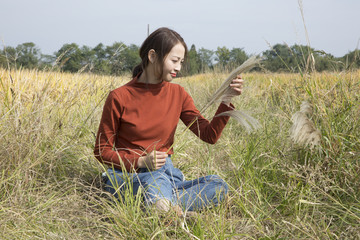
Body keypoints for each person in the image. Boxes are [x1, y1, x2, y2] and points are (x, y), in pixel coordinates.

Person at [94, 27, 244, 217]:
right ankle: (170, 212)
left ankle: (161, 206)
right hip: (126, 176)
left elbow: (209, 135)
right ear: (152, 56)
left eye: (181, 62)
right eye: (174, 61)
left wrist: (226, 101)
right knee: (153, 178)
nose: (178, 68)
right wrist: (141, 161)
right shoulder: (119, 97)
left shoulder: (178, 94)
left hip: (167, 176)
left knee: (218, 185)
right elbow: (102, 151)